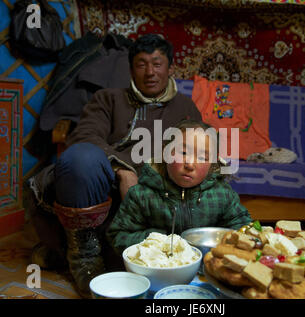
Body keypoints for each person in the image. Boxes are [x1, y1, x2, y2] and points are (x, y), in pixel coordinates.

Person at [29, 34, 202, 298]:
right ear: (131, 69)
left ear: (169, 68)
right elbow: (86, 134)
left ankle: (64, 252)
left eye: (157, 64)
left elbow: (198, 147)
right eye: (141, 64)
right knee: (80, 158)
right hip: (107, 184)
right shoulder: (108, 98)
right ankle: (84, 257)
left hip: (158, 194)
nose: (150, 72)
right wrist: (122, 170)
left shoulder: (185, 107)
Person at [106, 119, 252, 255]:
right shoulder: (141, 195)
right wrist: (157, 240)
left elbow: (244, 229)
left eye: (202, 157)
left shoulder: (222, 195)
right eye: (183, 152)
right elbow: (118, 236)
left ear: (212, 164)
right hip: (158, 270)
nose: (189, 164)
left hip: (206, 270)